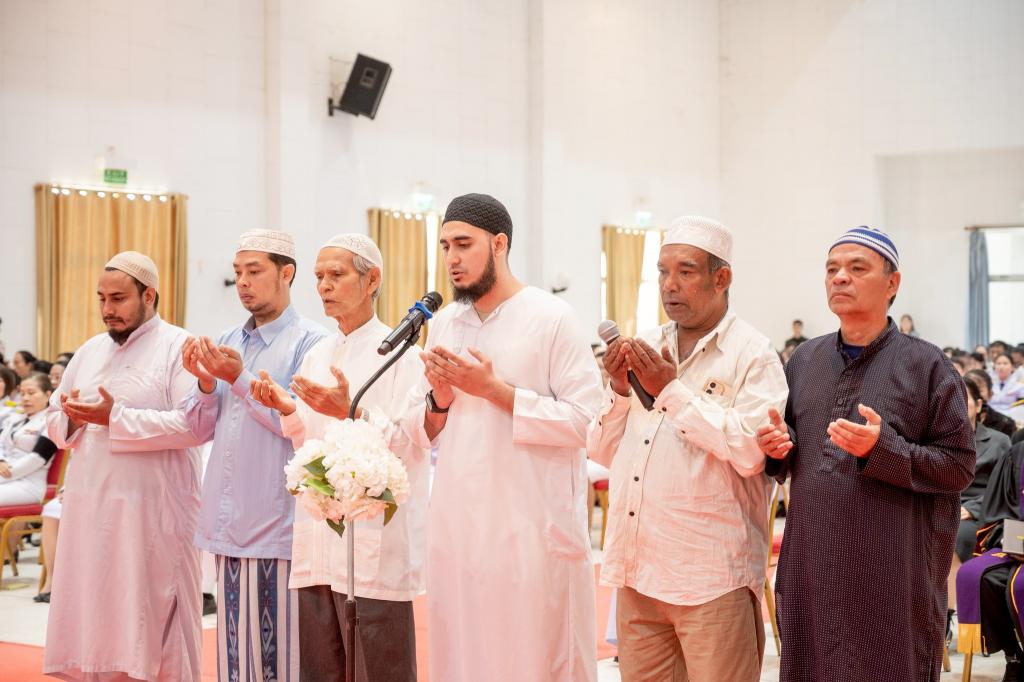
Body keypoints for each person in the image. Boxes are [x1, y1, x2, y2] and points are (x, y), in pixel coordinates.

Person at [757, 226, 975, 681]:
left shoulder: (929, 365)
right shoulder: (805, 360)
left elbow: (958, 467)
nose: (840, 277)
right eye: (832, 269)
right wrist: (778, 447)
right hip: (813, 563)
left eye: (857, 268)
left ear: (892, 283)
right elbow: (793, 449)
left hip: (892, 568)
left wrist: (883, 449)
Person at [402, 193, 603, 682]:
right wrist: (440, 400)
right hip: (460, 529)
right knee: (464, 657)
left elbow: (587, 422)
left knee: (529, 659)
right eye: (445, 246)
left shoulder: (551, 318)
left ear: (499, 244)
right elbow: (422, 427)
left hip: (529, 530)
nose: (451, 258)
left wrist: (495, 391)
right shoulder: (444, 324)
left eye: (463, 244)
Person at [588, 216, 787, 681]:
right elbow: (599, 448)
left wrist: (671, 391)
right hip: (640, 571)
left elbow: (750, 453)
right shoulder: (648, 344)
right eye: (662, 272)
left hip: (712, 578)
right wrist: (620, 390)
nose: (669, 285)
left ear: (722, 278)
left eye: (686, 271)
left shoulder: (753, 355)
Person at [250, 233, 428, 682]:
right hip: (319, 540)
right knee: (320, 669)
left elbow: (411, 444)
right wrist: (289, 410)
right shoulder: (319, 354)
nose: (324, 286)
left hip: (374, 543)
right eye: (318, 277)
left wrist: (350, 410)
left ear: (372, 280)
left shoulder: (404, 356)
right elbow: (308, 445)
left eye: (336, 275)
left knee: (379, 669)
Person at [44, 251, 207, 681]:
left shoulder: (179, 347)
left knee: (153, 617)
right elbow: (54, 420)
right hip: (92, 512)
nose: (107, 310)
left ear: (149, 295)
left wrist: (114, 418)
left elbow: (195, 425)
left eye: (118, 299)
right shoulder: (89, 351)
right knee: (97, 611)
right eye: (101, 299)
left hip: (154, 514)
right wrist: (74, 418)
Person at [182, 230, 326, 681]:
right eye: (238, 272)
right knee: (234, 659)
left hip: (275, 524)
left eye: (254, 271)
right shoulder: (229, 339)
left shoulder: (312, 343)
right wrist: (206, 382)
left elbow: (295, 422)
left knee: (277, 659)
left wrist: (239, 378)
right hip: (228, 523)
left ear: (287, 273)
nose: (243, 282)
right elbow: (199, 428)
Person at [955, 439, 1024, 680]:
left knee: (1020, 585)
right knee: (977, 577)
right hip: (1020, 546)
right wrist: (1008, 537)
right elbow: (1000, 508)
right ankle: (1014, 657)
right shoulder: (1019, 453)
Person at [948, 377, 1011, 639]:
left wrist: (974, 508)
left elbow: (1003, 488)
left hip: (985, 512)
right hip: (947, 506)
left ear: (978, 404)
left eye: (965, 401)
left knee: (954, 535)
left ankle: (951, 614)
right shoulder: (941, 440)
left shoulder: (999, 441)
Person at [0, 372, 57, 560]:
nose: (25, 398)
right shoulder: (14, 419)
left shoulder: (51, 422)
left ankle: (6, 553)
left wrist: (5, 473)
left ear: (48, 395)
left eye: (31, 393)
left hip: (29, 484)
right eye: (22, 393)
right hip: (6, 476)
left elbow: (37, 458)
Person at [964, 369, 1018, 439]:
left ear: (990, 394)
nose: (975, 395)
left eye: (979, 390)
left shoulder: (1005, 424)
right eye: (969, 392)